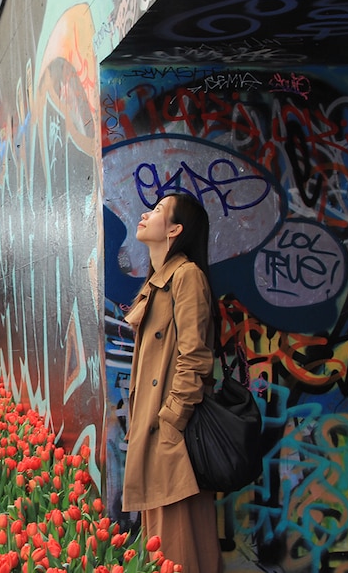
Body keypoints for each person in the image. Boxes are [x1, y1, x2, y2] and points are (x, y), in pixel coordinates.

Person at [121, 193, 223, 573]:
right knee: (160, 545)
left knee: (178, 547)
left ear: (175, 230)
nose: (146, 213)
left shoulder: (187, 277)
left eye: (159, 211)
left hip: (170, 438)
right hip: (153, 433)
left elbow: (195, 357)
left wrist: (171, 420)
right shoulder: (159, 281)